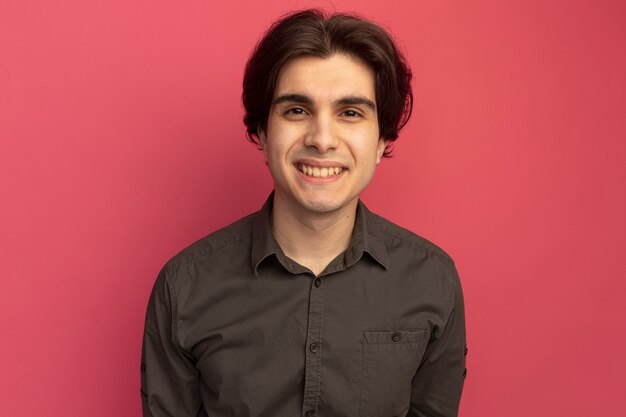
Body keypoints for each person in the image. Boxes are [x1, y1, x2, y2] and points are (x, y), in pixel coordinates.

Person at [141, 9, 466, 417]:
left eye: (350, 113)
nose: (322, 139)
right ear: (261, 133)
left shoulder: (433, 280)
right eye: (297, 110)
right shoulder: (183, 286)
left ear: (382, 140)